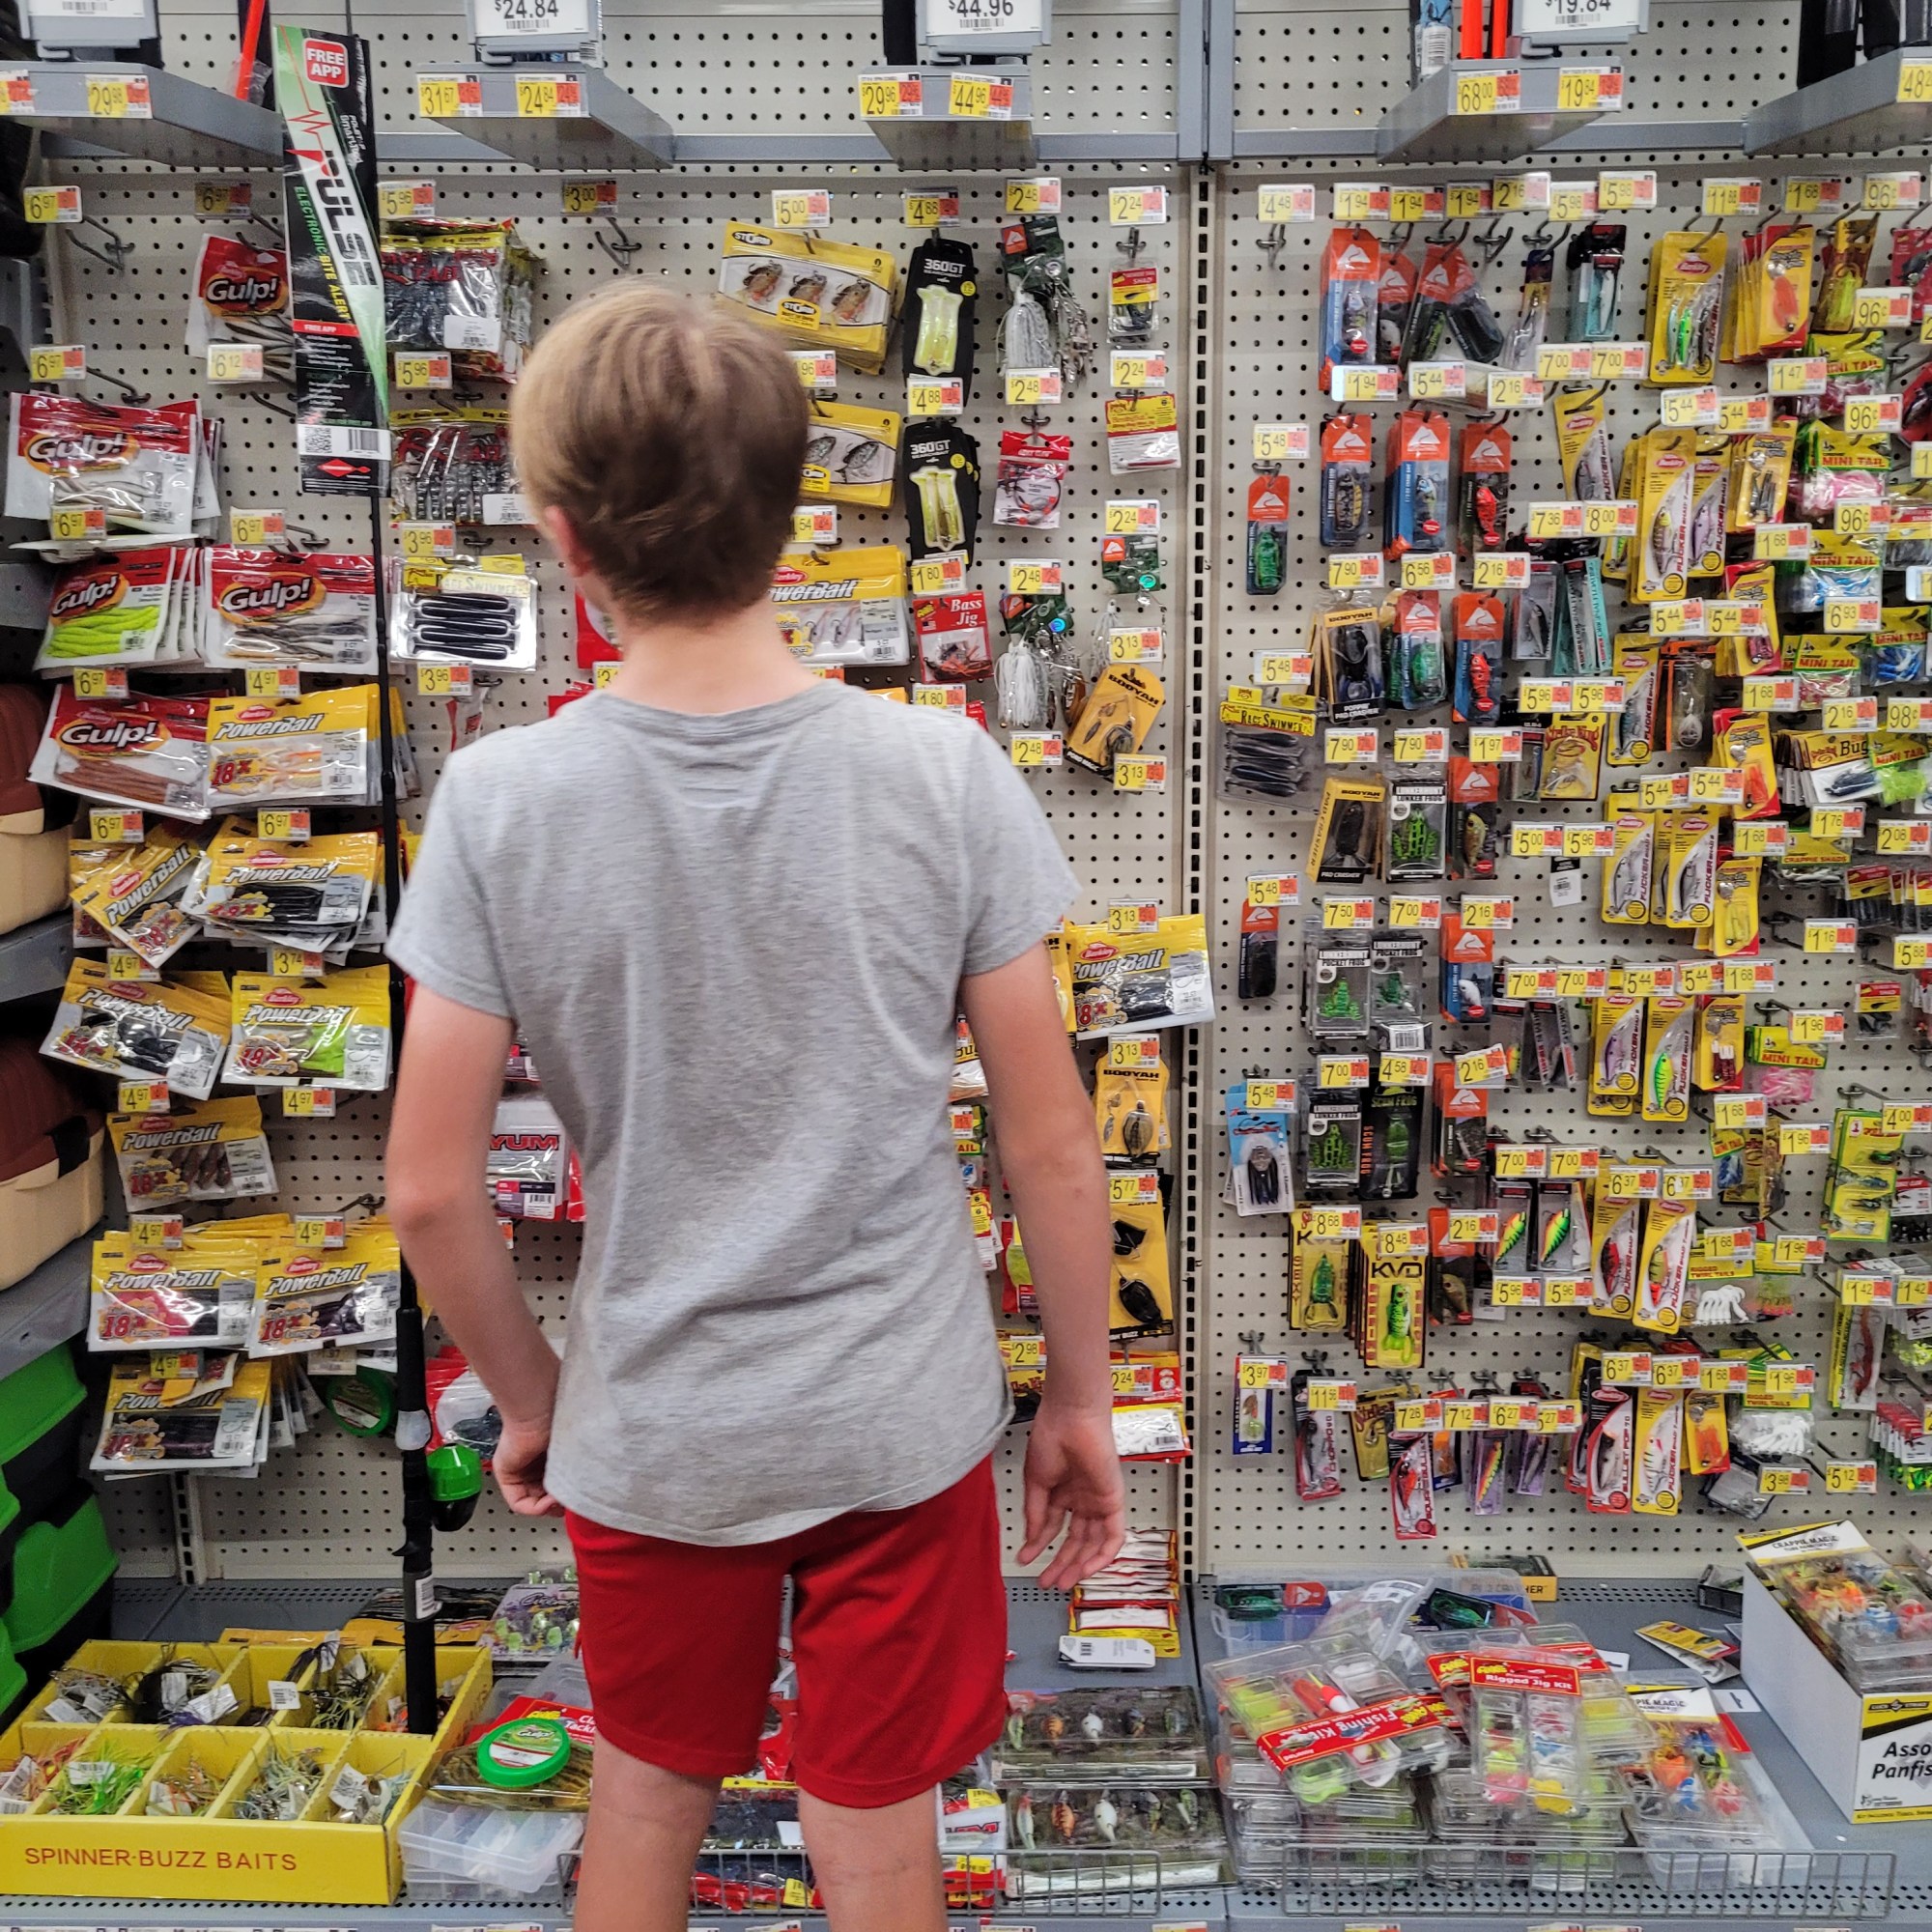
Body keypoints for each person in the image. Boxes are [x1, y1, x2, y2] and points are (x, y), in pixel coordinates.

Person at [384, 284, 1125, 1932]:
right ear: (798, 517)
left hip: (657, 1430)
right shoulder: (943, 772)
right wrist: (1080, 1394)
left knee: (648, 1794)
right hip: (896, 1418)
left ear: (565, 538)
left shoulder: (500, 801)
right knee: (877, 1821)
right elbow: (1052, 1143)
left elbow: (429, 1191)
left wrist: (537, 1402)